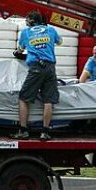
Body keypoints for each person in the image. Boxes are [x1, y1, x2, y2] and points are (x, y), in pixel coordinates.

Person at [10, 11, 62, 140]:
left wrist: (19, 52)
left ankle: (23, 130)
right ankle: (45, 132)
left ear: (32, 21)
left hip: (36, 68)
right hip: (50, 68)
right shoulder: (51, 29)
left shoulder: (26, 33)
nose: (25, 22)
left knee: (23, 98)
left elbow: (19, 50)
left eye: (27, 20)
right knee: (48, 100)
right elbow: (60, 42)